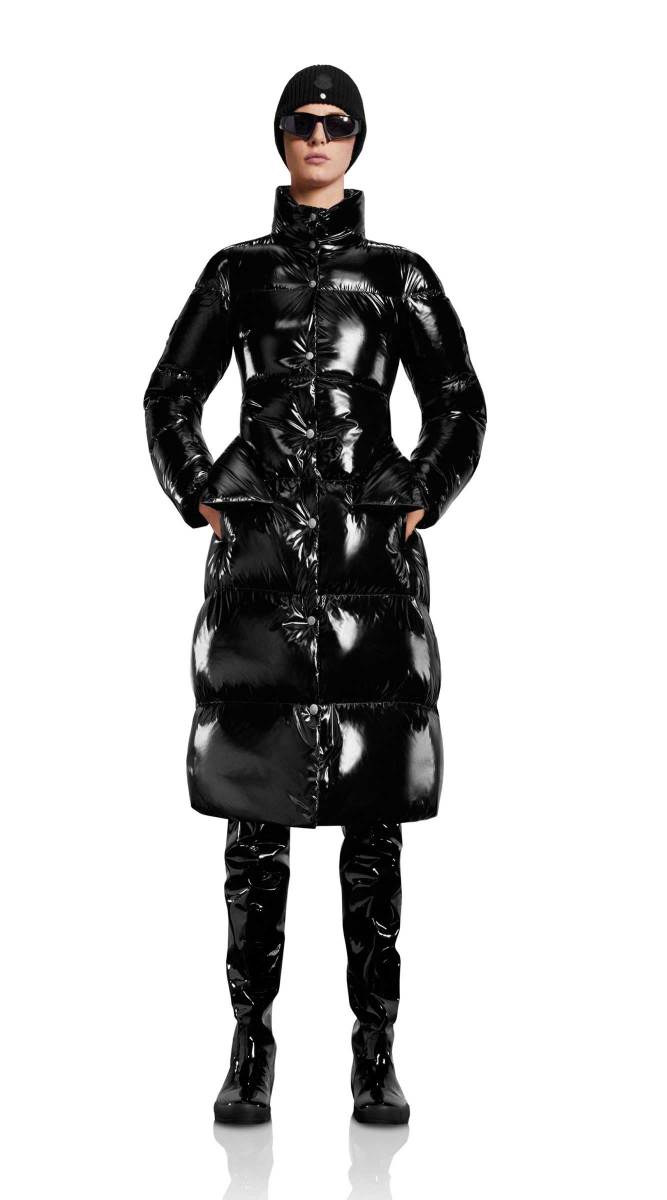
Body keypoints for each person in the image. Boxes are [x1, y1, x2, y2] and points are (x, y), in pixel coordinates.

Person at [143, 63, 487, 1125]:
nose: (320, 136)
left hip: (367, 567)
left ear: (358, 139)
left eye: (337, 123)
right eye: (303, 121)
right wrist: (201, 489)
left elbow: (458, 397)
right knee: (255, 826)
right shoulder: (235, 273)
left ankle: (374, 1054)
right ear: (281, 136)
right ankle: (249, 1048)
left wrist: (421, 490)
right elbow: (171, 391)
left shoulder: (397, 275)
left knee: (372, 821)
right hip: (259, 573)